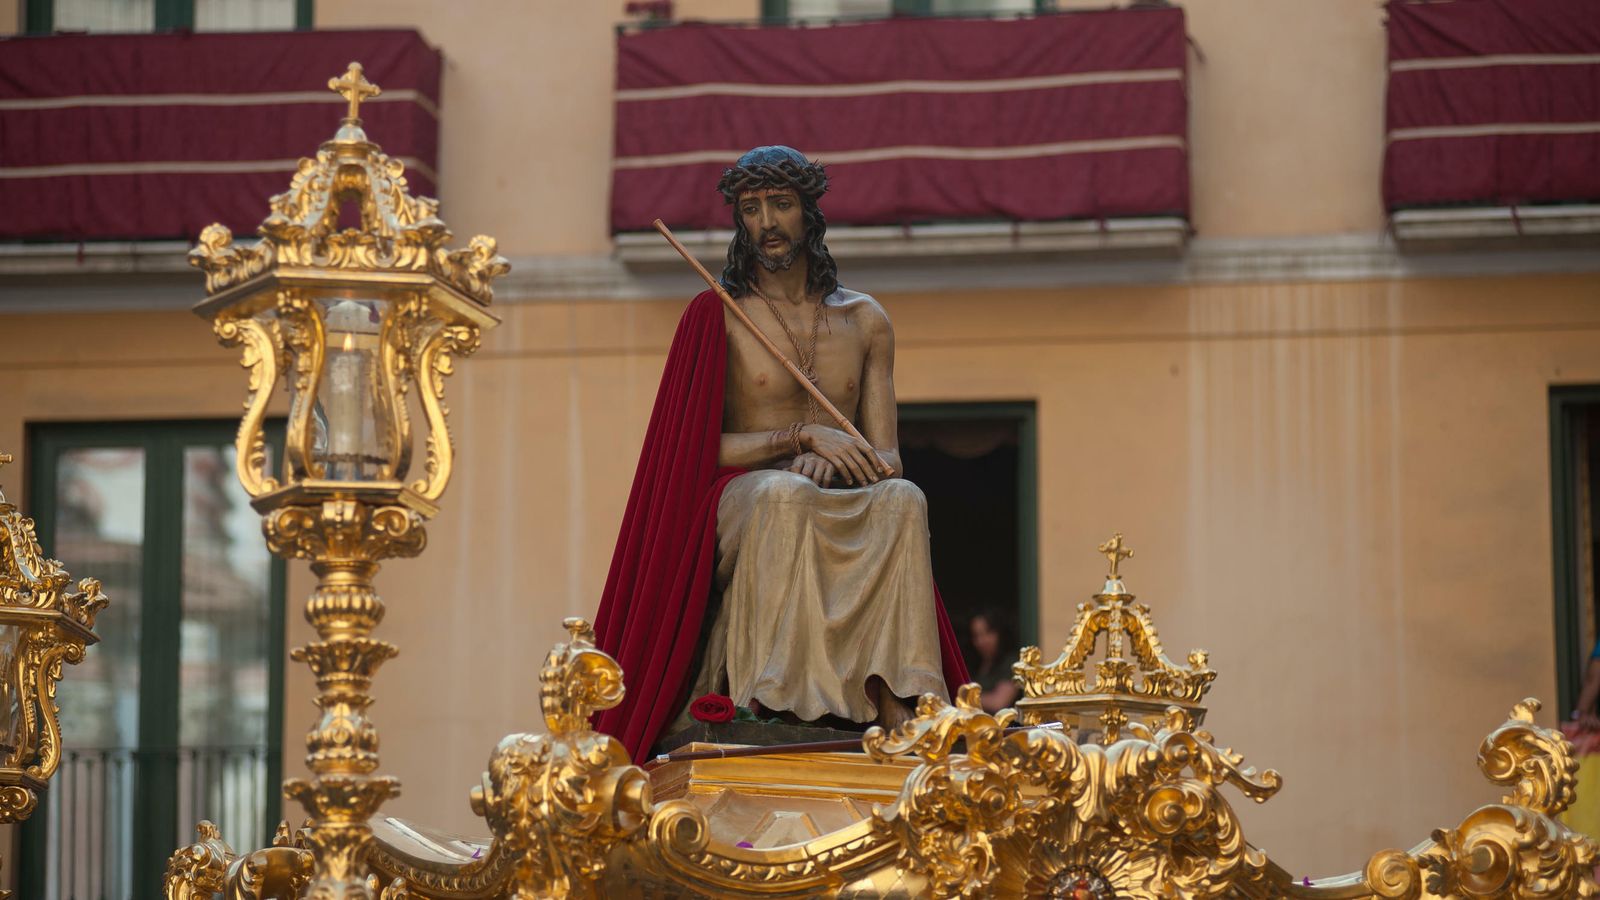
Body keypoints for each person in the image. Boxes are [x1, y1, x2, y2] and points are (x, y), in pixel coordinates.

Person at [591, 146, 969, 760]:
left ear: (810, 214)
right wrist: (798, 439)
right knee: (786, 494)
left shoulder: (865, 320)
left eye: (781, 205)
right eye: (751, 209)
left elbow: (889, 459)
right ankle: (776, 696)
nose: (766, 222)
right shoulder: (719, 313)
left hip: (840, 487)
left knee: (903, 499)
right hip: (743, 496)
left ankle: (904, 694)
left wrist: (842, 456)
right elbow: (688, 449)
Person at [969, 611, 1021, 714]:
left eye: (987, 633)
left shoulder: (1012, 663)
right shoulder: (976, 664)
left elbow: (999, 702)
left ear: (1000, 633)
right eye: (976, 636)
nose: (981, 641)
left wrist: (963, 698)